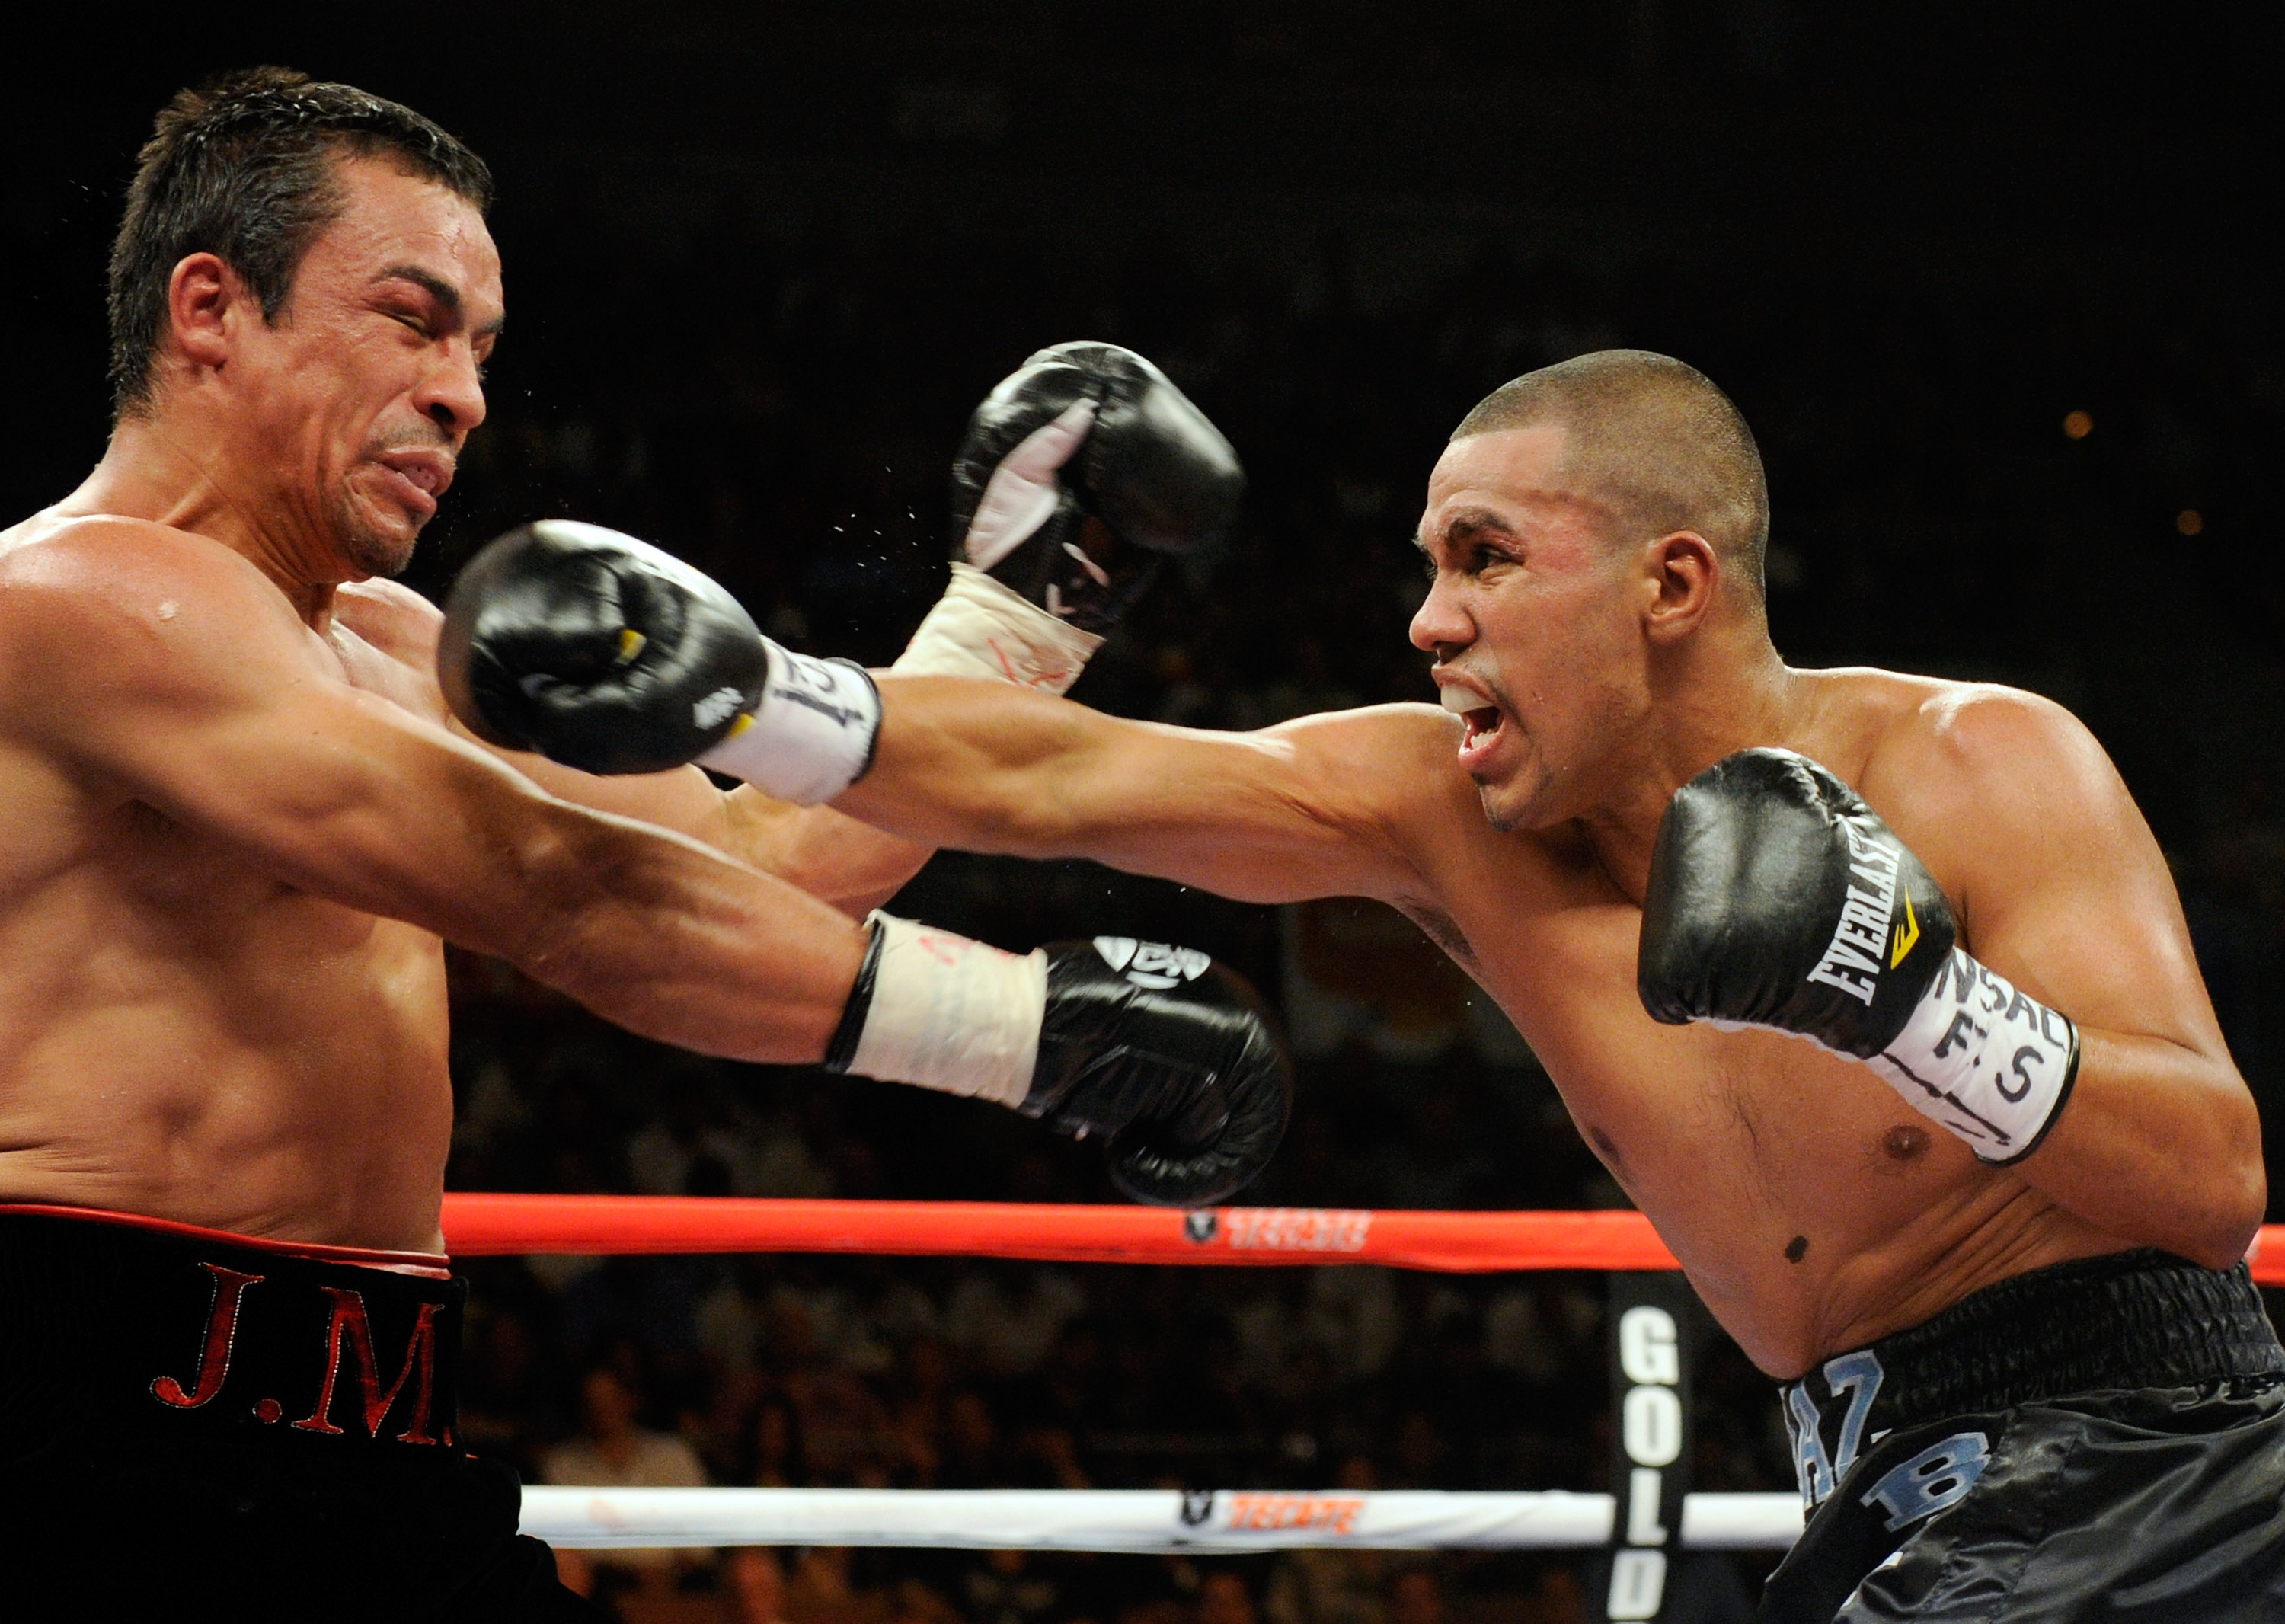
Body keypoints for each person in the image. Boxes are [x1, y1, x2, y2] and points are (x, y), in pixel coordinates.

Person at [476, 350, 2284, 1619]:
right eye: (1428, 564)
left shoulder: (1981, 762)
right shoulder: (1446, 813)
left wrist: (1908, 1001)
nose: (1429, 621)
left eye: (1486, 557)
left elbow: (2211, 1185)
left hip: (2165, 1464)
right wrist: (749, 697)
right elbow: (1051, 776)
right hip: (1887, 1491)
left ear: (1671, 579)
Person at [0, 69, 1278, 1622]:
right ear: (211, 308)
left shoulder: (391, 645)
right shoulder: (68, 604)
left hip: (374, 1437)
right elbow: (565, 892)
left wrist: (1020, 610)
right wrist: (1030, 1033)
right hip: (86, 1448)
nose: (465, 393)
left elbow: (759, 866)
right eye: (413, 319)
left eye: (480, 346)